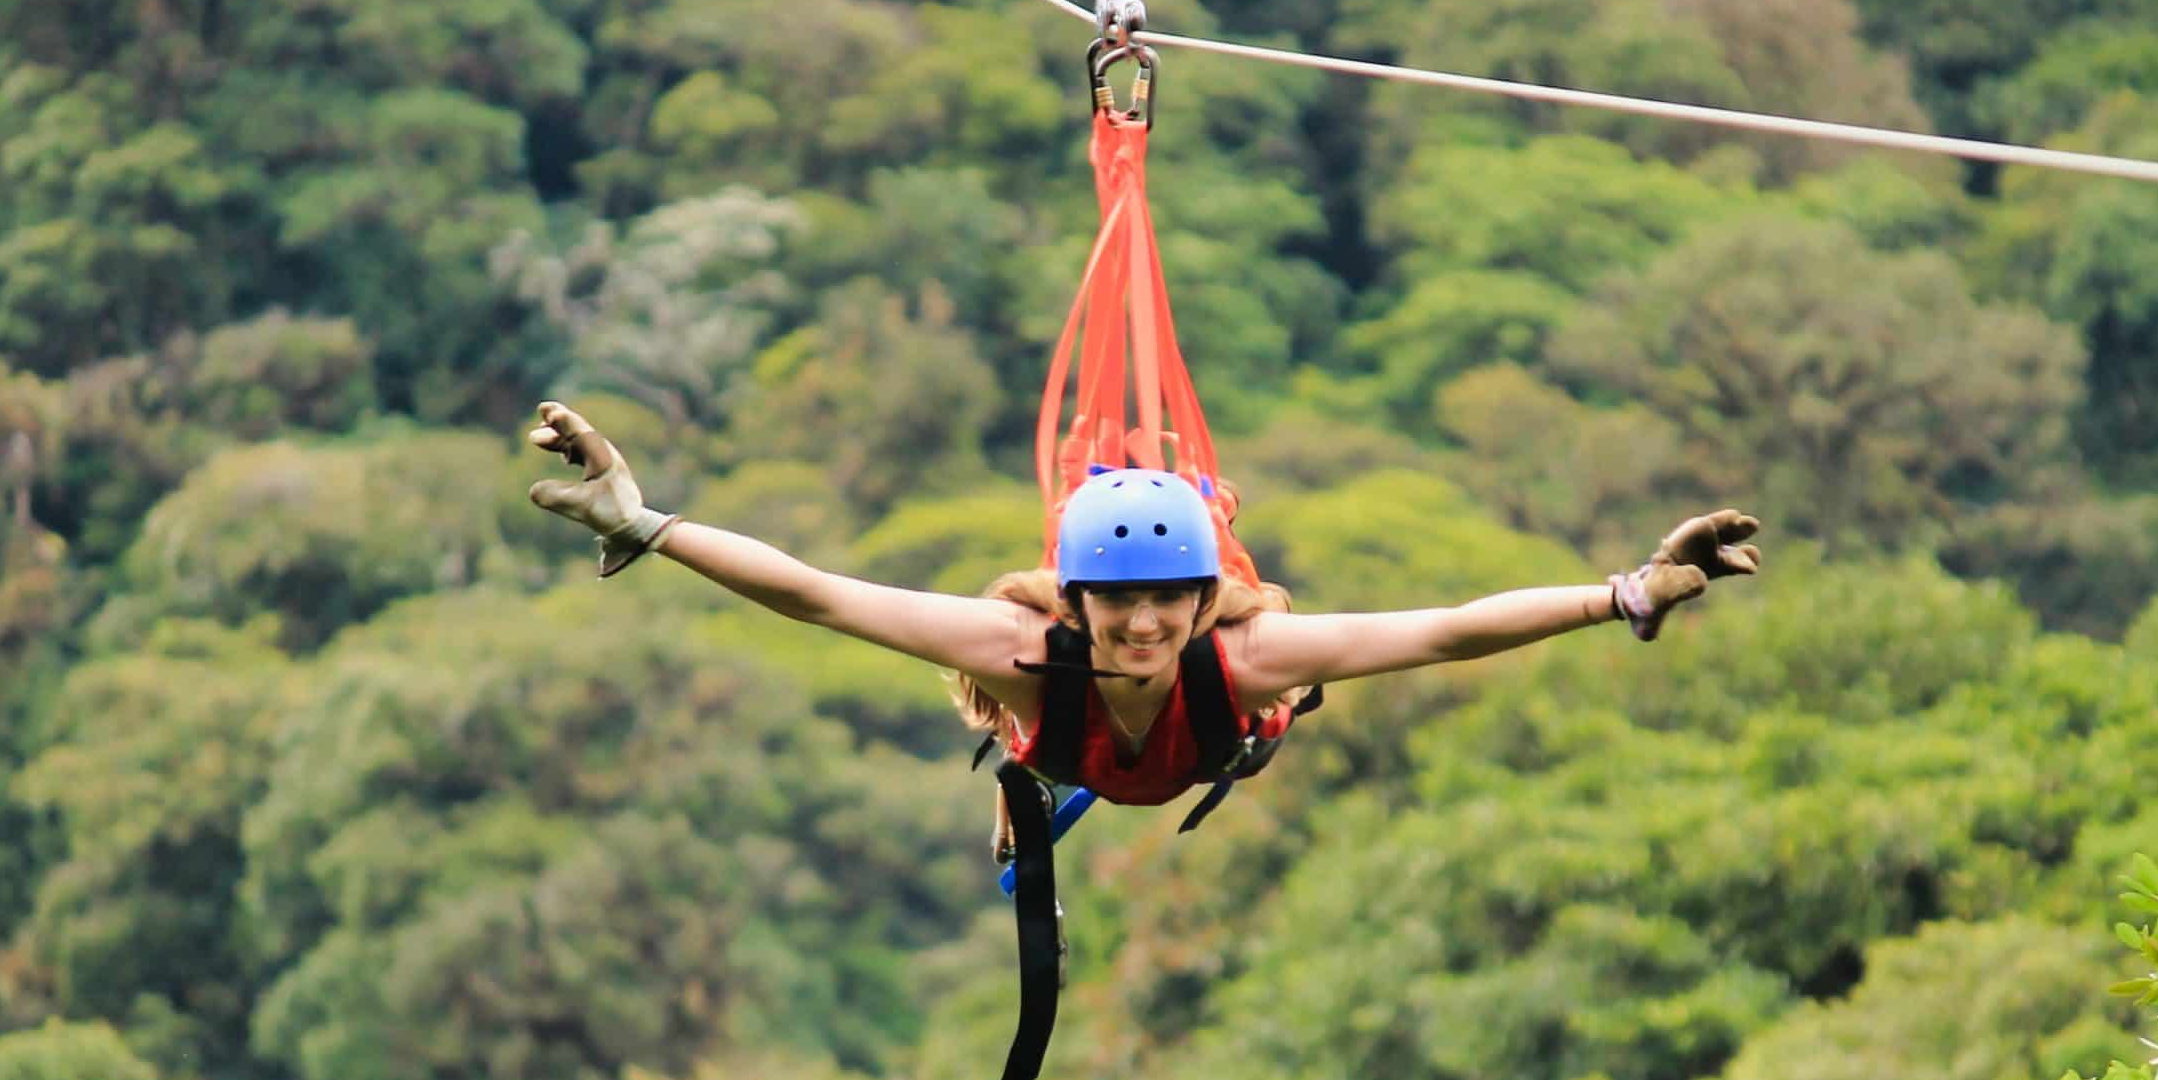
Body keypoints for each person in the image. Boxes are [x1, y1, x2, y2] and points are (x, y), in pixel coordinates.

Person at [523, 399, 1764, 770]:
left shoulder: (1245, 659)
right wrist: (650, 522)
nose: (1146, 622)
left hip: (1213, 742)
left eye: (1172, 597)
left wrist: (1625, 594)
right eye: (1119, 604)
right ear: (1073, 603)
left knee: (1264, 674)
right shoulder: (1021, 648)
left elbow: (1439, 633)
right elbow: (822, 595)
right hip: (1066, 751)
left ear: (1202, 592)